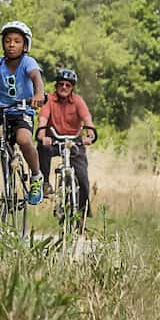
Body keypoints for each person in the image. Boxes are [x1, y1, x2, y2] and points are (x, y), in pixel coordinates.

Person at [0, 21, 45, 212]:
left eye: (17, 41)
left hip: (22, 110)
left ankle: (36, 177)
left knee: (24, 140)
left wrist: (39, 94)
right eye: (8, 41)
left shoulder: (28, 62)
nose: (12, 44)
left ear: (25, 45)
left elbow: (36, 77)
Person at [36, 66, 95, 220]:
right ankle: (45, 183)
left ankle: (82, 217)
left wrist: (90, 134)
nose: (64, 87)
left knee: (82, 178)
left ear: (72, 88)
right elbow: (43, 119)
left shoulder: (77, 101)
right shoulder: (49, 100)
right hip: (54, 140)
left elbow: (87, 119)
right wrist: (42, 135)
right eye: (61, 84)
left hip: (74, 141)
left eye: (68, 85)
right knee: (42, 148)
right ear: (56, 85)